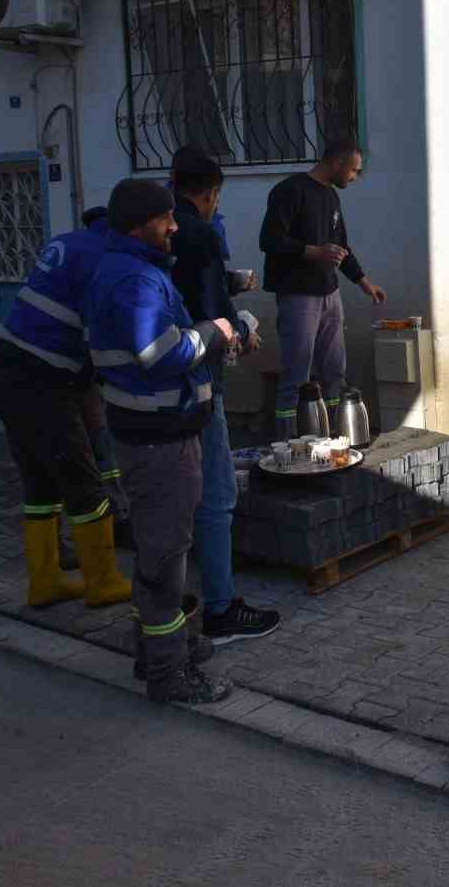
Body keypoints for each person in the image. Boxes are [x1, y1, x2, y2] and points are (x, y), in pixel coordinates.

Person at [85, 178, 236, 704]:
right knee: (165, 559)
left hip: (154, 436)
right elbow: (161, 353)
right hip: (158, 444)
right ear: (136, 225)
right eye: (165, 217)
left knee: (159, 551)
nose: (175, 225)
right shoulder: (134, 280)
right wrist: (216, 331)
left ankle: (159, 651)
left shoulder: (133, 269)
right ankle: (169, 675)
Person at [0, 206, 133, 610]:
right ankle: (102, 580)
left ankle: (45, 581)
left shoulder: (69, 241)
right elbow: (99, 335)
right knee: (83, 481)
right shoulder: (105, 260)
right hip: (41, 380)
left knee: (42, 484)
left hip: (7, 370)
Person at [168, 146, 281, 644]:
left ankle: (170, 603)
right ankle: (219, 609)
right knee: (217, 493)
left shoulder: (147, 235)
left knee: (168, 498)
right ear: (212, 193)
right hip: (195, 379)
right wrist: (239, 329)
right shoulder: (199, 233)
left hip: (142, 395)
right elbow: (210, 312)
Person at [258, 138, 386, 439]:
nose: (354, 178)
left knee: (334, 373)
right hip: (298, 295)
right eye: (354, 170)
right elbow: (270, 240)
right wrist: (314, 252)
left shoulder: (331, 197)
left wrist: (365, 282)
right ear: (338, 162)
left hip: (330, 294)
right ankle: (289, 445)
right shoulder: (290, 191)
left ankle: (335, 439)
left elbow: (340, 247)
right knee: (297, 375)